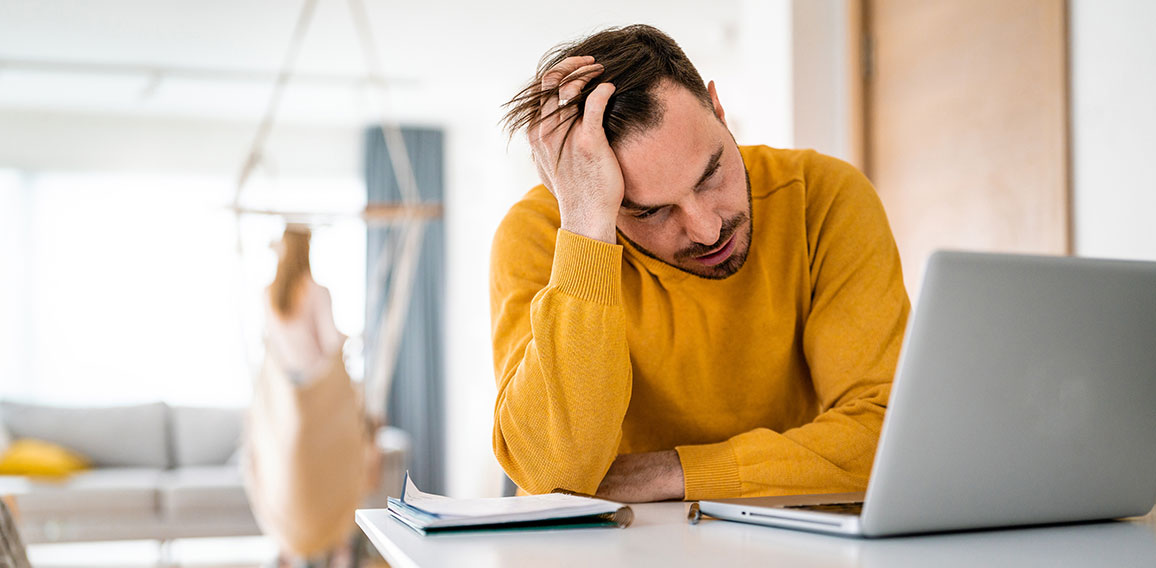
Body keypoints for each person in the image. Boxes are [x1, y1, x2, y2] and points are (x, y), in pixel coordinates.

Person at [490, 25, 910, 503]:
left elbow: (889, 437)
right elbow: (554, 477)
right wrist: (588, 227)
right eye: (649, 211)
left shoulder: (823, 196)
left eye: (712, 173)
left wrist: (673, 473)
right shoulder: (538, 236)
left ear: (719, 109)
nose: (708, 230)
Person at [244, 225, 368, 568]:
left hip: (283, 397)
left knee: (285, 476)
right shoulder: (317, 291)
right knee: (337, 468)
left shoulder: (268, 294)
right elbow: (329, 344)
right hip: (317, 397)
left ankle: (289, 548)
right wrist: (352, 340)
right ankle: (339, 549)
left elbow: (273, 346)